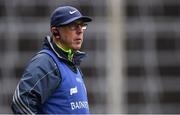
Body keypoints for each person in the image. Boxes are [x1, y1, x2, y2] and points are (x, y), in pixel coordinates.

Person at [11, 5, 92, 114]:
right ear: (55, 32)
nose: (80, 31)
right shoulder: (46, 62)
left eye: (82, 26)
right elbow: (21, 102)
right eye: (73, 26)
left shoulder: (72, 66)